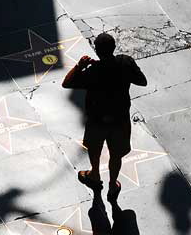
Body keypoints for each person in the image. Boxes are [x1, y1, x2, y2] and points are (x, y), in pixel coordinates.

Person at [62, 33, 147, 201]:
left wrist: (80, 66)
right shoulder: (125, 62)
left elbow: (67, 83)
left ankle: (94, 174)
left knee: (94, 149)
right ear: (114, 47)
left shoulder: (93, 71)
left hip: (97, 121)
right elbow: (142, 81)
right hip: (120, 120)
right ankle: (112, 184)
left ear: (96, 50)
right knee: (116, 155)